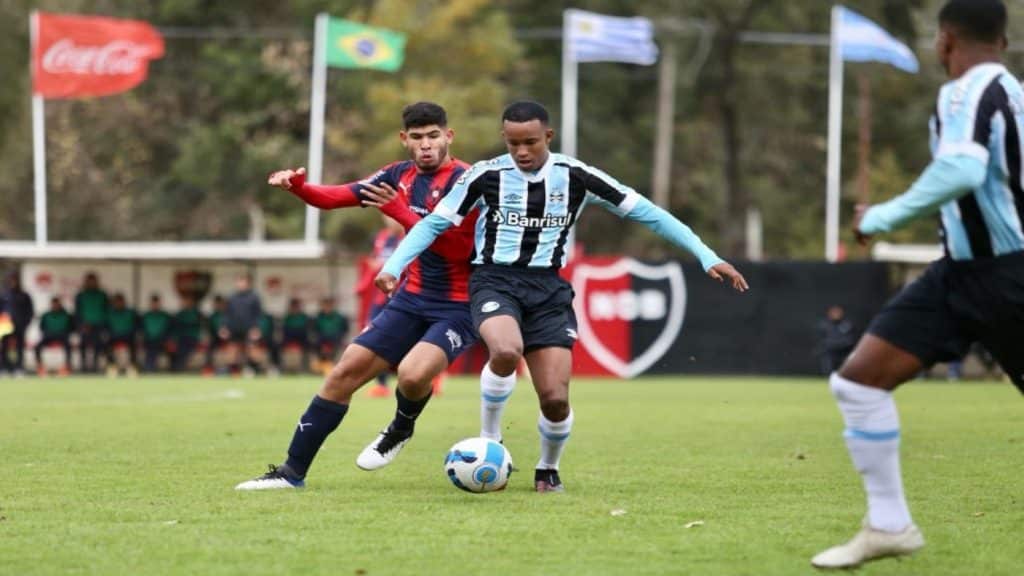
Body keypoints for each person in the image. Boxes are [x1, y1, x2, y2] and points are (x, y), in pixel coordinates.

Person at [375, 100, 748, 492]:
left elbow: (648, 212)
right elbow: (433, 223)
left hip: (548, 291)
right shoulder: (485, 176)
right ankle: (491, 439)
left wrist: (707, 255)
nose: (521, 152)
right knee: (505, 350)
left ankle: (547, 468)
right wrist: (393, 266)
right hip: (494, 280)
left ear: (547, 137)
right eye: (513, 143)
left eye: (530, 143)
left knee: (554, 398)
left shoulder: (576, 176)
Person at [810, 1, 1024, 569]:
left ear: (945, 39)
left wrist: (880, 217)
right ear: (1003, 39)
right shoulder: (1011, 92)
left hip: (1008, 277)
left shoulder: (970, 89)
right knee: (858, 383)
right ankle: (888, 525)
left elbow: (962, 170)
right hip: (960, 274)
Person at [236, 102, 477, 490]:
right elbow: (332, 197)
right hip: (411, 298)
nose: (426, 145)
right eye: (417, 138)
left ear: (449, 136)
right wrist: (299, 187)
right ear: (405, 140)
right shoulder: (397, 176)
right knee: (343, 373)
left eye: (434, 136)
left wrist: (400, 212)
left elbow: (458, 250)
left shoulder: (469, 181)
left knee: (413, 376)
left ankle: (401, 427)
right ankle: (290, 473)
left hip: (461, 305)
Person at [358, 215, 405, 396]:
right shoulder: (382, 237)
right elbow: (375, 260)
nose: (390, 219)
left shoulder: (412, 235)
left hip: (404, 297)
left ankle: (433, 379)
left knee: (413, 340)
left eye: (393, 216)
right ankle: (382, 385)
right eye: (386, 216)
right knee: (374, 338)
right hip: (381, 298)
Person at [221, 275, 262, 376]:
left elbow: (258, 314)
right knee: (232, 349)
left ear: (248, 284)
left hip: (249, 328)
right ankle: (231, 371)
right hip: (234, 328)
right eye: (238, 282)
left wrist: (256, 328)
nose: (240, 284)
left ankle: (256, 370)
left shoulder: (254, 297)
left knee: (252, 349)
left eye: (242, 282)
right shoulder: (232, 297)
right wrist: (224, 327)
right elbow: (227, 314)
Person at [74, 272, 109, 373]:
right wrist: (81, 325)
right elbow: (77, 312)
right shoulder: (80, 295)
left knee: (98, 345)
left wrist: (103, 325)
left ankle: (95, 366)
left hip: (99, 325)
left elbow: (107, 310)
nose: (91, 283)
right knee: (83, 345)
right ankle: (84, 366)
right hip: (85, 326)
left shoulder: (102, 295)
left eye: (93, 281)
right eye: (89, 281)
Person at [1, 274, 33, 376]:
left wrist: (26, 323)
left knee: (20, 348)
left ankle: (19, 368)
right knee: (4, 347)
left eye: (15, 281)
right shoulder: (4, 295)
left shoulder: (24, 295)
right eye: (11, 281)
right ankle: (4, 368)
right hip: (6, 326)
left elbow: (29, 311)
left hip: (20, 325)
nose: (13, 283)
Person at [35, 297, 74, 375]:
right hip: (49, 337)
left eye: (57, 304)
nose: (55, 306)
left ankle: (67, 367)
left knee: (68, 346)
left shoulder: (66, 315)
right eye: (54, 304)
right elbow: (41, 327)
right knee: (37, 347)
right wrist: (48, 333)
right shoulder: (46, 315)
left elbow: (71, 327)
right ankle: (40, 367)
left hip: (62, 336)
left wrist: (64, 333)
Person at [105, 293, 139, 376]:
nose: (119, 304)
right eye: (117, 302)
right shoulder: (110, 313)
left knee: (134, 344)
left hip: (128, 336)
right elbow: (106, 327)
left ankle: (132, 367)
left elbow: (136, 326)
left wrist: (131, 333)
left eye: (120, 302)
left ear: (124, 302)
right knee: (106, 345)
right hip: (114, 337)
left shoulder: (131, 313)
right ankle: (112, 367)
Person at [817, 305, 856, 374]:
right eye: (834, 312)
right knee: (829, 368)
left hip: (844, 352)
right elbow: (822, 339)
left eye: (837, 312)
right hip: (830, 352)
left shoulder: (847, 324)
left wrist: (841, 344)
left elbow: (850, 339)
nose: (836, 314)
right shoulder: (825, 325)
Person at [313, 297, 349, 369]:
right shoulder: (318, 317)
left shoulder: (339, 317)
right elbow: (314, 330)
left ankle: (334, 364)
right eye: (325, 305)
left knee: (337, 345)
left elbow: (345, 329)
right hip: (322, 339)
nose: (327, 308)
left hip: (336, 338)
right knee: (316, 343)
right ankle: (321, 364)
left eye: (329, 305)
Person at [140, 294, 173, 372]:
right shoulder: (145, 316)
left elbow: (170, 331)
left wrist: (168, 340)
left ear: (160, 303)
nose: (155, 305)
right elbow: (142, 331)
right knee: (151, 352)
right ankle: (149, 369)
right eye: (153, 303)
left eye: (156, 303)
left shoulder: (166, 316)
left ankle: (172, 371)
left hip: (163, 342)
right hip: (149, 342)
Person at [173, 295, 203, 372]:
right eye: (186, 301)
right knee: (181, 353)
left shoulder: (197, 314)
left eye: (189, 301)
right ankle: (179, 369)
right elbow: (176, 327)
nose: (187, 303)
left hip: (193, 338)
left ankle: (184, 368)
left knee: (188, 353)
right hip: (182, 338)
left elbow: (201, 326)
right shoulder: (180, 314)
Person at [280, 298, 311, 371]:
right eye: (293, 306)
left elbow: (305, 331)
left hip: (302, 340)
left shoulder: (304, 317)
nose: (295, 308)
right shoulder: (287, 317)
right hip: (289, 340)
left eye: (296, 306)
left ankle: (305, 368)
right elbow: (285, 331)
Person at [203, 294, 228, 375]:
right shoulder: (212, 316)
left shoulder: (229, 315)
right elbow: (208, 330)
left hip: (230, 338)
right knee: (209, 347)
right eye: (216, 304)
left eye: (220, 303)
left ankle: (233, 369)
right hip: (215, 338)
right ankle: (208, 369)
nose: (218, 305)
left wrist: (227, 332)